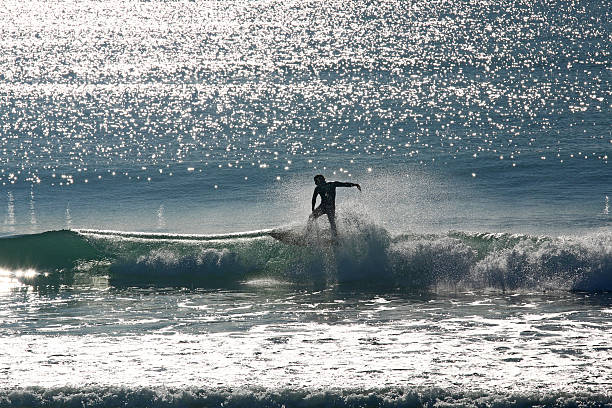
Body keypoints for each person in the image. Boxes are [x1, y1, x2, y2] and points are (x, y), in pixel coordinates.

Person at [308, 174, 361, 239]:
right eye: (315, 181)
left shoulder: (332, 184)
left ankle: (335, 238)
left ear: (321, 180)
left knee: (332, 223)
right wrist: (313, 209)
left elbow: (344, 184)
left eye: (316, 181)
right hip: (322, 207)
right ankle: (308, 234)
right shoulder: (317, 188)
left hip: (330, 208)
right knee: (311, 217)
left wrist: (355, 185)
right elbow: (314, 199)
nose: (315, 183)